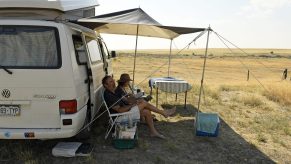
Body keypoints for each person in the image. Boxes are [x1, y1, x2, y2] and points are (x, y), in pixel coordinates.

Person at [102, 75, 175, 139]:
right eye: (111, 82)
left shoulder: (114, 92)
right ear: (106, 85)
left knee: (147, 111)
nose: (113, 82)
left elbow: (126, 101)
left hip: (124, 113)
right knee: (143, 103)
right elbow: (120, 110)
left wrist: (134, 100)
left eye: (113, 80)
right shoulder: (109, 95)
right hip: (119, 118)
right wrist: (133, 104)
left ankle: (153, 132)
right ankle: (163, 113)